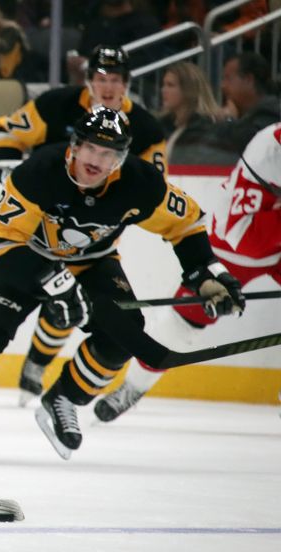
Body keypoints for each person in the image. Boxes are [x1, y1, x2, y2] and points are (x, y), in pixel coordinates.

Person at [0, 107, 245, 460]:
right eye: (90, 148)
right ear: (75, 146)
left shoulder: (140, 182)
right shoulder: (38, 172)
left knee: (122, 335)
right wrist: (56, 283)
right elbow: (1, 244)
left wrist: (205, 274)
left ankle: (62, 398)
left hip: (91, 263)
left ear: (121, 158)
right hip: (24, 260)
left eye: (108, 153)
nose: (96, 160)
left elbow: (185, 224)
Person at [0, 45, 168, 406]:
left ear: (127, 84)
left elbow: (151, 186)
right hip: (30, 226)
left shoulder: (145, 129)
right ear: (88, 79)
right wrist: (14, 178)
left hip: (87, 236)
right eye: (100, 79)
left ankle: (36, 365)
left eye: (116, 81)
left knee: (69, 303)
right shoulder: (57, 104)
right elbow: (4, 134)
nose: (108, 88)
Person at [93, 120, 281, 423]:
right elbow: (246, 237)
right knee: (181, 324)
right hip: (238, 241)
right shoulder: (271, 144)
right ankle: (133, 387)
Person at [211, 52, 280, 163]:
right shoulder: (246, 113)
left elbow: (250, 143)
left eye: (228, 78)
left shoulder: (270, 112)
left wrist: (229, 119)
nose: (222, 85)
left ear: (248, 79)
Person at [158, 61, 225, 164]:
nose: (163, 90)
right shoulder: (163, 125)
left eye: (170, 85)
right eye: (164, 85)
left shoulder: (206, 129)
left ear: (188, 90)